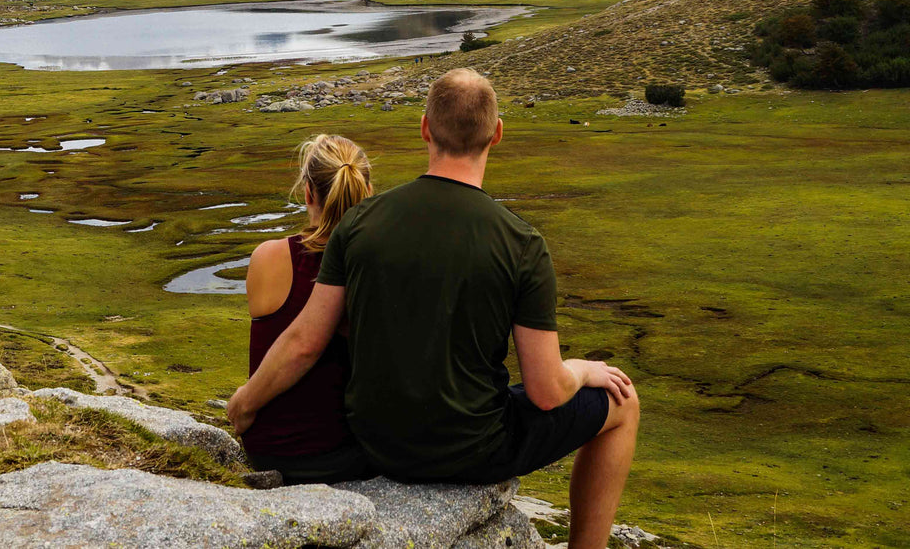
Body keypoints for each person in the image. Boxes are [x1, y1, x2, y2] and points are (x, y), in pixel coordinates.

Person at [228, 69, 639, 549]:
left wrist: (244, 403)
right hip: (474, 449)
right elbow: (548, 392)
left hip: (375, 444)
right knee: (623, 405)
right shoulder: (523, 244)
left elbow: (304, 340)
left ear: (425, 127)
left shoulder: (359, 223)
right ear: (498, 133)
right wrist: (584, 370)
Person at [240, 134, 373, 484]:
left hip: (270, 450)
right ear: (367, 191)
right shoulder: (374, 265)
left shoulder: (268, 258)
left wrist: (242, 405)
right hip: (352, 454)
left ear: (308, 193)